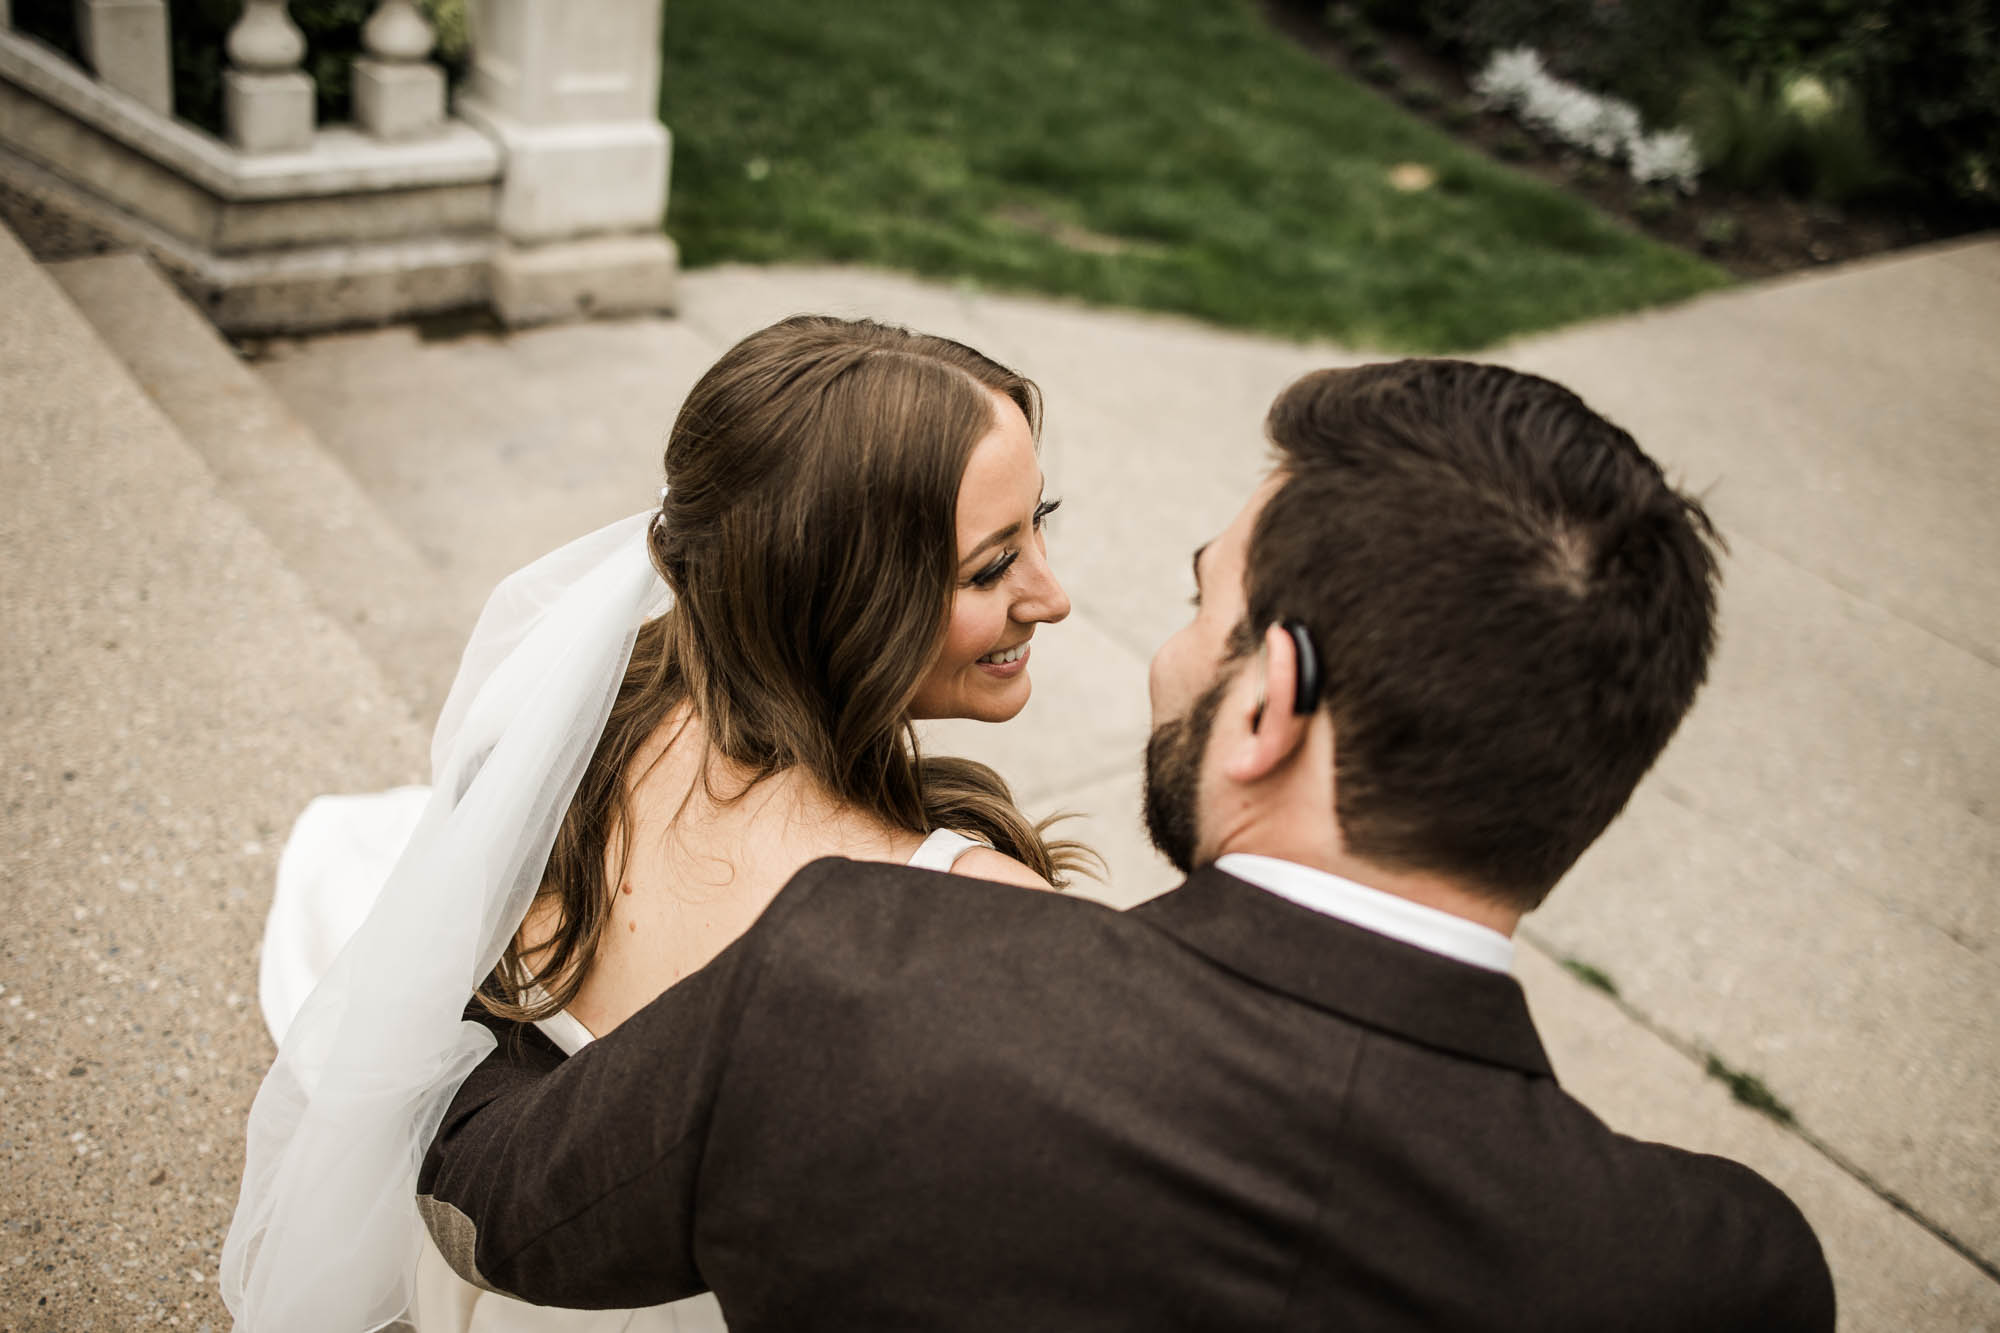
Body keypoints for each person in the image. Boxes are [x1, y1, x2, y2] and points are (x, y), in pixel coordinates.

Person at [416, 360, 1836, 1330]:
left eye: (1197, 604)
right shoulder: (1727, 1275)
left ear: (1268, 703)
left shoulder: (860, 982)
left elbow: (497, 1210)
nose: (1135, 641)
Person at [221, 316, 1086, 1333]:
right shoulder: (972, 923)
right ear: (837, 598)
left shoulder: (580, 713)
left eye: (1041, 523)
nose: (1052, 594)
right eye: (988, 569)